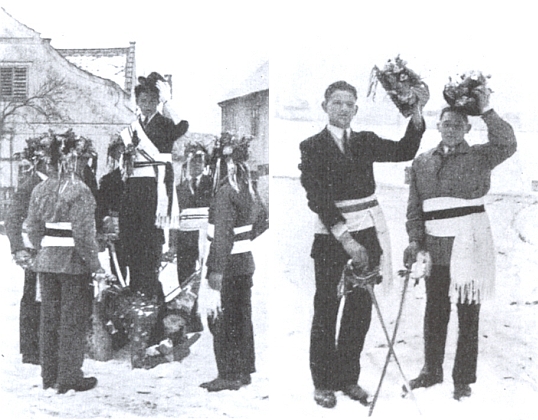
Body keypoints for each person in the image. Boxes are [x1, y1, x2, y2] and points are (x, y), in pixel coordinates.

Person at [299, 80, 427, 408]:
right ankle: (323, 382)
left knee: (360, 309)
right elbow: (318, 198)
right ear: (325, 106)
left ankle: (347, 378)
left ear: (356, 109)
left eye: (349, 104)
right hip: (331, 235)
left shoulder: (366, 141)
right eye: (337, 102)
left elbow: (404, 151)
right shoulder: (311, 146)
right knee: (327, 307)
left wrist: (416, 116)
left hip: (368, 230)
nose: (343, 108)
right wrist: (346, 239)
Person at [404, 88, 517, 400]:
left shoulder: (481, 156)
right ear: (438, 126)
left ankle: (463, 378)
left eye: (457, 124)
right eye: (446, 124)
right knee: (435, 310)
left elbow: (508, 142)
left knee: (468, 313)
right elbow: (415, 208)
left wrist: (486, 110)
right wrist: (415, 240)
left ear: (467, 128)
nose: (451, 129)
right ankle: (431, 371)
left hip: (470, 246)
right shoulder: (422, 162)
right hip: (435, 248)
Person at [24, 134, 107, 394]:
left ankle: (49, 375)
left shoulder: (41, 188)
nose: (84, 164)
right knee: (72, 321)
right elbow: (83, 236)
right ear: (72, 160)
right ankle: (69, 377)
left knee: (49, 320)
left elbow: (33, 228)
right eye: (82, 159)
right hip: (72, 264)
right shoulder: (80, 190)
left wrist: (44, 249)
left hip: (47, 262)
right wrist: (96, 266)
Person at [118, 72, 188, 302]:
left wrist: (168, 100)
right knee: (131, 238)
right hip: (134, 186)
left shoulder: (166, 124)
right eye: (143, 101)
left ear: (157, 102)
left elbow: (182, 126)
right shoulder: (132, 128)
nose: (147, 105)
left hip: (155, 185)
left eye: (151, 101)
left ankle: (149, 291)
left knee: (150, 239)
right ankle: (135, 287)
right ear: (137, 102)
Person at [200, 134, 257, 392]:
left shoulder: (224, 192)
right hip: (244, 264)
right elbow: (263, 217)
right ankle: (243, 371)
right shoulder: (247, 187)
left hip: (227, 267)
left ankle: (228, 373)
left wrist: (216, 270)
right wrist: (245, 238)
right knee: (242, 318)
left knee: (222, 321)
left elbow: (222, 235)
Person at [5, 137, 51, 365]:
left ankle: (42, 345)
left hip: (49, 248)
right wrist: (18, 248)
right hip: (33, 250)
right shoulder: (30, 184)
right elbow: (13, 217)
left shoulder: (56, 183)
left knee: (44, 297)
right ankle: (31, 350)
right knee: (33, 296)